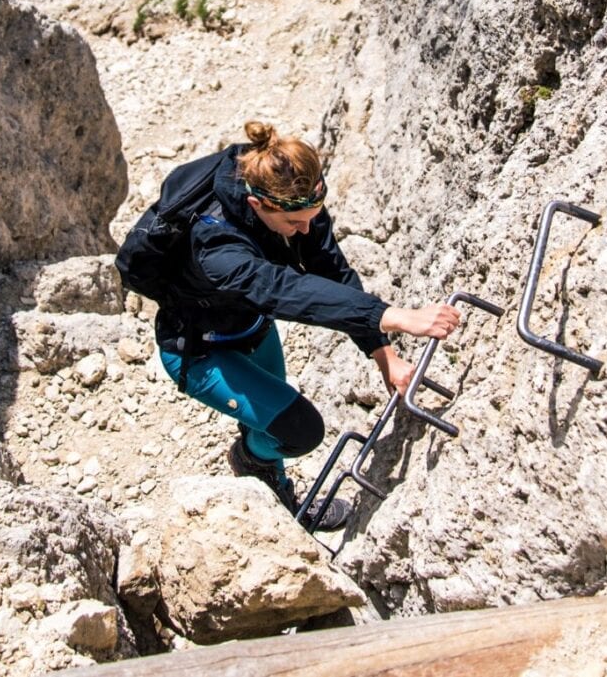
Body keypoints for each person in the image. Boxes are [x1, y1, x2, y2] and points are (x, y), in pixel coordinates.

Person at [153, 121, 463, 530]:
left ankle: (274, 488)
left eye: (312, 218)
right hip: (199, 351)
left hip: (251, 329)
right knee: (300, 431)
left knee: (274, 421)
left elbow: (332, 272)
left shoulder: (296, 204)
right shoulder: (215, 247)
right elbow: (284, 290)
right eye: (295, 224)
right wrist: (394, 315)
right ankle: (252, 461)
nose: (306, 229)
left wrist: (383, 354)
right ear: (255, 205)